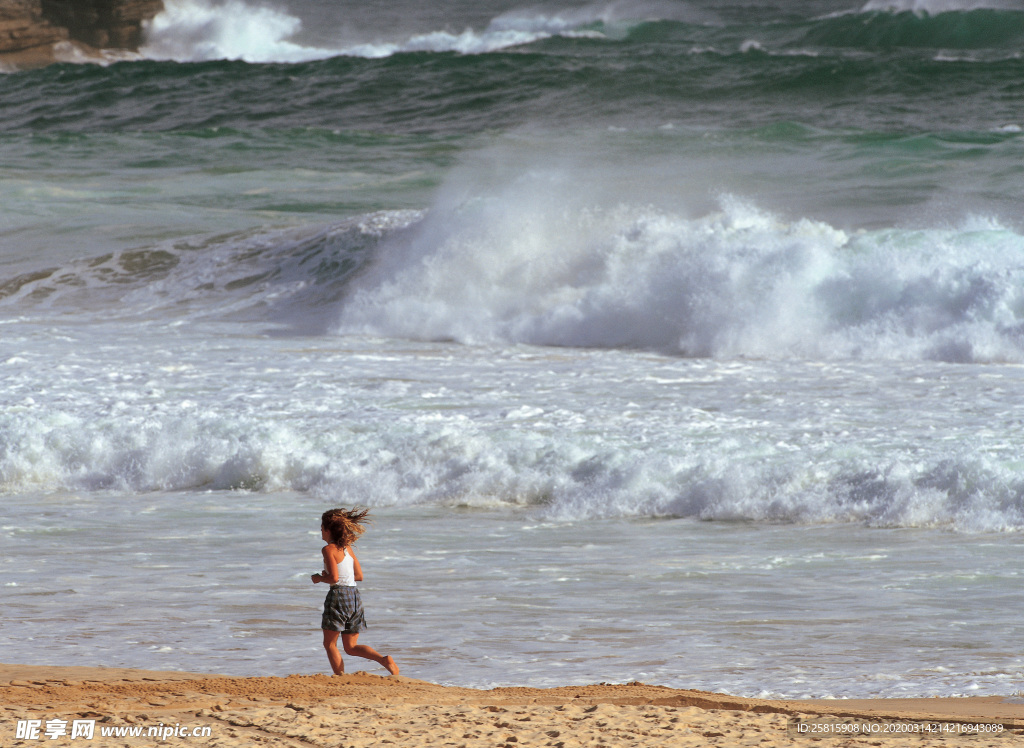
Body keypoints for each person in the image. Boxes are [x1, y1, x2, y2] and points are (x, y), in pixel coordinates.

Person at [311, 507, 399, 676]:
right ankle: (383, 660)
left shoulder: (328, 549)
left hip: (338, 596)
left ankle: (340, 678)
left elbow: (334, 578)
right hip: (354, 596)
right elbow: (358, 576)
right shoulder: (347, 548)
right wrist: (330, 575)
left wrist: (319, 578)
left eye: (321, 528)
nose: (320, 531)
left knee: (329, 644)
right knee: (350, 647)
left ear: (328, 530)